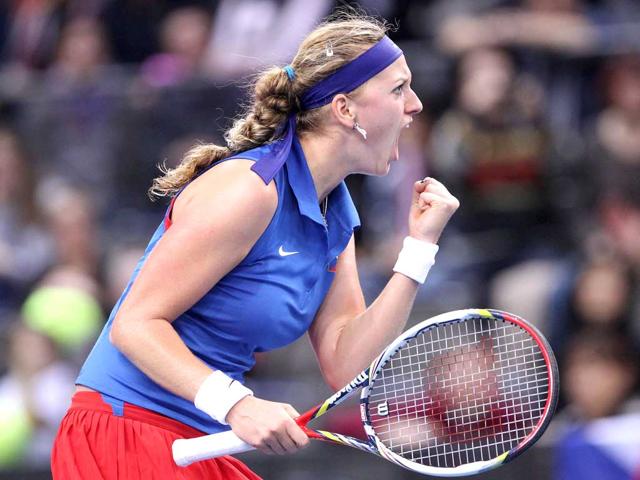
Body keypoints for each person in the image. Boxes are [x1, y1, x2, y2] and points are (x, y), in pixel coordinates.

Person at [51, 12, 459, 479]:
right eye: (398, 89)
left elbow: (347, 366)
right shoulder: (249, 190)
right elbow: (134, 324)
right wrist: (237, 404)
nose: (416, 106)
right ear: (345, 110)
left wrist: (418, 250)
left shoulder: (335, 217)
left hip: (195, 442)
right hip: (121, 433)